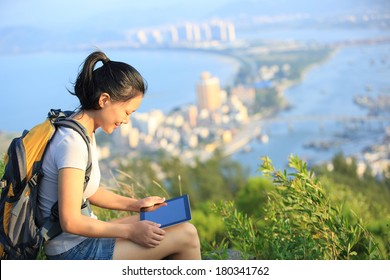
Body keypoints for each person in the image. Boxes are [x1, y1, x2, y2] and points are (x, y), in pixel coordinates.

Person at [37, 50, 201, 260]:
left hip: (78, 242)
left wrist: (135, 205)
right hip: (73, 252)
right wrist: (130, 231)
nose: (126, 121)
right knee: (186, 235)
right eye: (127, 112)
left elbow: (87, 191)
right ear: (104, 100)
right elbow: (70, 221)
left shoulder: (81, 129)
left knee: (168, 222)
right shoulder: (72, 143)